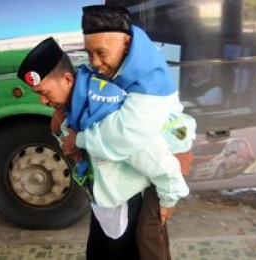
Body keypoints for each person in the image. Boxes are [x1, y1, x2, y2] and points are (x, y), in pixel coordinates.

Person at [66, 5, 193, 260]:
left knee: (146, 243)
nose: (95, 63)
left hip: (152, 177)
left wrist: (78, 139)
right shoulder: (116, 67)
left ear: (126, 42)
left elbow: (124, 136)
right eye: (89, 53)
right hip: (124, 180)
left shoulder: (149, 80)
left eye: (101, 53)